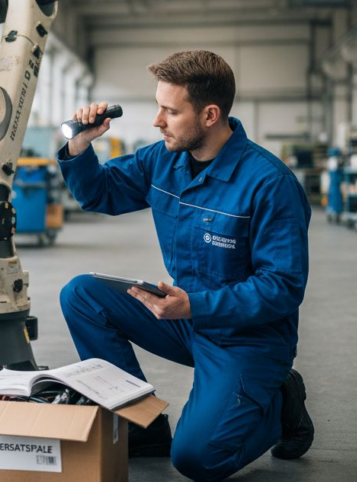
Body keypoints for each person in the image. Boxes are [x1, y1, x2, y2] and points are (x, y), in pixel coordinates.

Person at [57, 50, 314, 481]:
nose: (158, 120)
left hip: (247, 338)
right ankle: (144, 425)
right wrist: (80, 144)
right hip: (184, 317)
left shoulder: (270, 183)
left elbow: (283, 286)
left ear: (210, 114)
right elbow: (99, 194)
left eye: (170, 111)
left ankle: (280, 405)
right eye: (159, 106)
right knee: (83, 295)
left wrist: (193, 305)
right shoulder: (163, 160)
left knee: (196, 458)